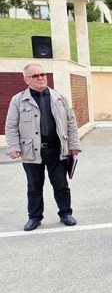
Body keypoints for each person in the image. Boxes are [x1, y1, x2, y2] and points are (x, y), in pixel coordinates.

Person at [5, 64, 81, 231]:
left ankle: (65, 213)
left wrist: (74, 145)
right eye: (35, 76)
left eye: (42, 74)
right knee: (34, 186)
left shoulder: (59, 97)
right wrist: (13, 147)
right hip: (31, 151)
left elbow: (71, 122)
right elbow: (11, 126)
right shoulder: (18, 100)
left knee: (61, 184)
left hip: (56, 150)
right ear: (26, 80)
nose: (40, 78)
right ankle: (34, 217)